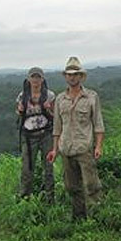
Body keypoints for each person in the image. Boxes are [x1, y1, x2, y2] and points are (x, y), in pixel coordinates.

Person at [46, 57, 105, 220]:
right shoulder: (60, 99)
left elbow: (98, 124)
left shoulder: (91, 97)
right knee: (71, 186)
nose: (72, 77)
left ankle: (96, 218)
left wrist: (98, 146)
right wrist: (54, 149)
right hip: (66, 148)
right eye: (69, 74)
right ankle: (79, 218)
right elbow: (57, 127)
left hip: (84, 147)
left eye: (75, 74)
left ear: (81, 76)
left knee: (91, 185)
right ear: (65, 76)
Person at [16, 66, 56, 202]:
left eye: (38, 77)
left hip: (46, 135)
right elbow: (19, 114)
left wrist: (49, 109)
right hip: (29, 137)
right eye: (33, 77)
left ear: (42, 79)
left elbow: (55, 116)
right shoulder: (22, 96)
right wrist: (20, 110)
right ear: (28, 79)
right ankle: (25, 198)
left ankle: (50, 198)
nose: (35, 80)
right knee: (27, 169)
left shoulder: (50, 96)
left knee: (48, 168)